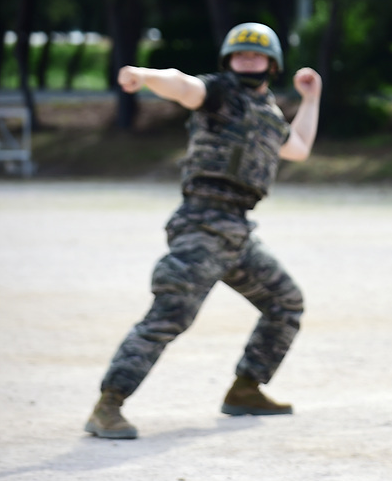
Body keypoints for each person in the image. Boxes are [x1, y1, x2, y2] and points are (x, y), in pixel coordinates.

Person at [84, 22, 322, 440]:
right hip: (201, 225)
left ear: (272, 64)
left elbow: (299, 146)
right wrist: (145, 76)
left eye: (256, 55)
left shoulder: (268, 115)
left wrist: (311, 98)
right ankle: (108, 405)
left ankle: (246, 388)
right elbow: (182, 86)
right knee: (170, 315)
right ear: (228, 61)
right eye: (240, 54)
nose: (247, 60)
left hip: (237, 232)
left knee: (286, 301)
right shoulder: (218, 95)